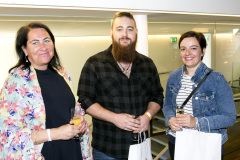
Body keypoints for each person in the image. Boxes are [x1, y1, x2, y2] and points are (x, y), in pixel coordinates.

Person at [77, 11, 164, 159]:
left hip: (140, 148)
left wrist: (147, 116)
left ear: (136, 33)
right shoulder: (94, 64)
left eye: (130, 29)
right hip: (107, 151)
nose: (125, 34)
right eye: (119, 29)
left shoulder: (148, 64)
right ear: (111, 32)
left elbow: (157, 96)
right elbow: (85, 100)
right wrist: (114, 118)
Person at [0, 22, 92, 160]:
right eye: (35, 43)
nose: (43, 47)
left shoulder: (61, 73)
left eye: (46, 41)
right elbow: (9, 134)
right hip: (44, 154)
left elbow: (73, 108)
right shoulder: (16, 81)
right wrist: (55, 133)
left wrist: (81, 121)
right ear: (24, 49)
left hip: (72, 150)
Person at [163, 31, 237, 159]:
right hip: (177, 140)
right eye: (183, 49)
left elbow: (230, 117)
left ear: (203, 51)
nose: (187, 53)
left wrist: (196, 122)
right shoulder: (174, 77)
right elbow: (168, 105)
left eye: (193, 48)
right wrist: (170, 118)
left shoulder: (217, 79)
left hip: (206, 142)